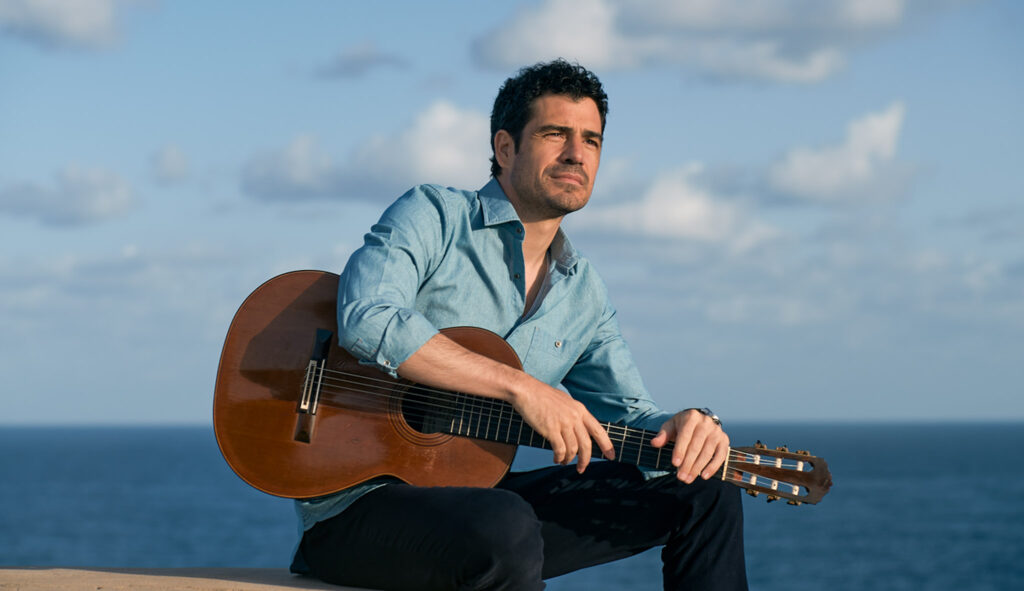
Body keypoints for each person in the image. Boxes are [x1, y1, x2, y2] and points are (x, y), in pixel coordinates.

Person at [290, 59, 748, 591]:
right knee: (504, 522)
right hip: (360, 508)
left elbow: (630, 415)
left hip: (488, 503)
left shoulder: (584, 292)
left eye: (592, 140)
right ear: (505, 148)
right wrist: (520, 387)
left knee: (704, 486)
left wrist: (689, 425)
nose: (577, 153)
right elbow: (366, 318)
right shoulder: (434, 215)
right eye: (556, 134)